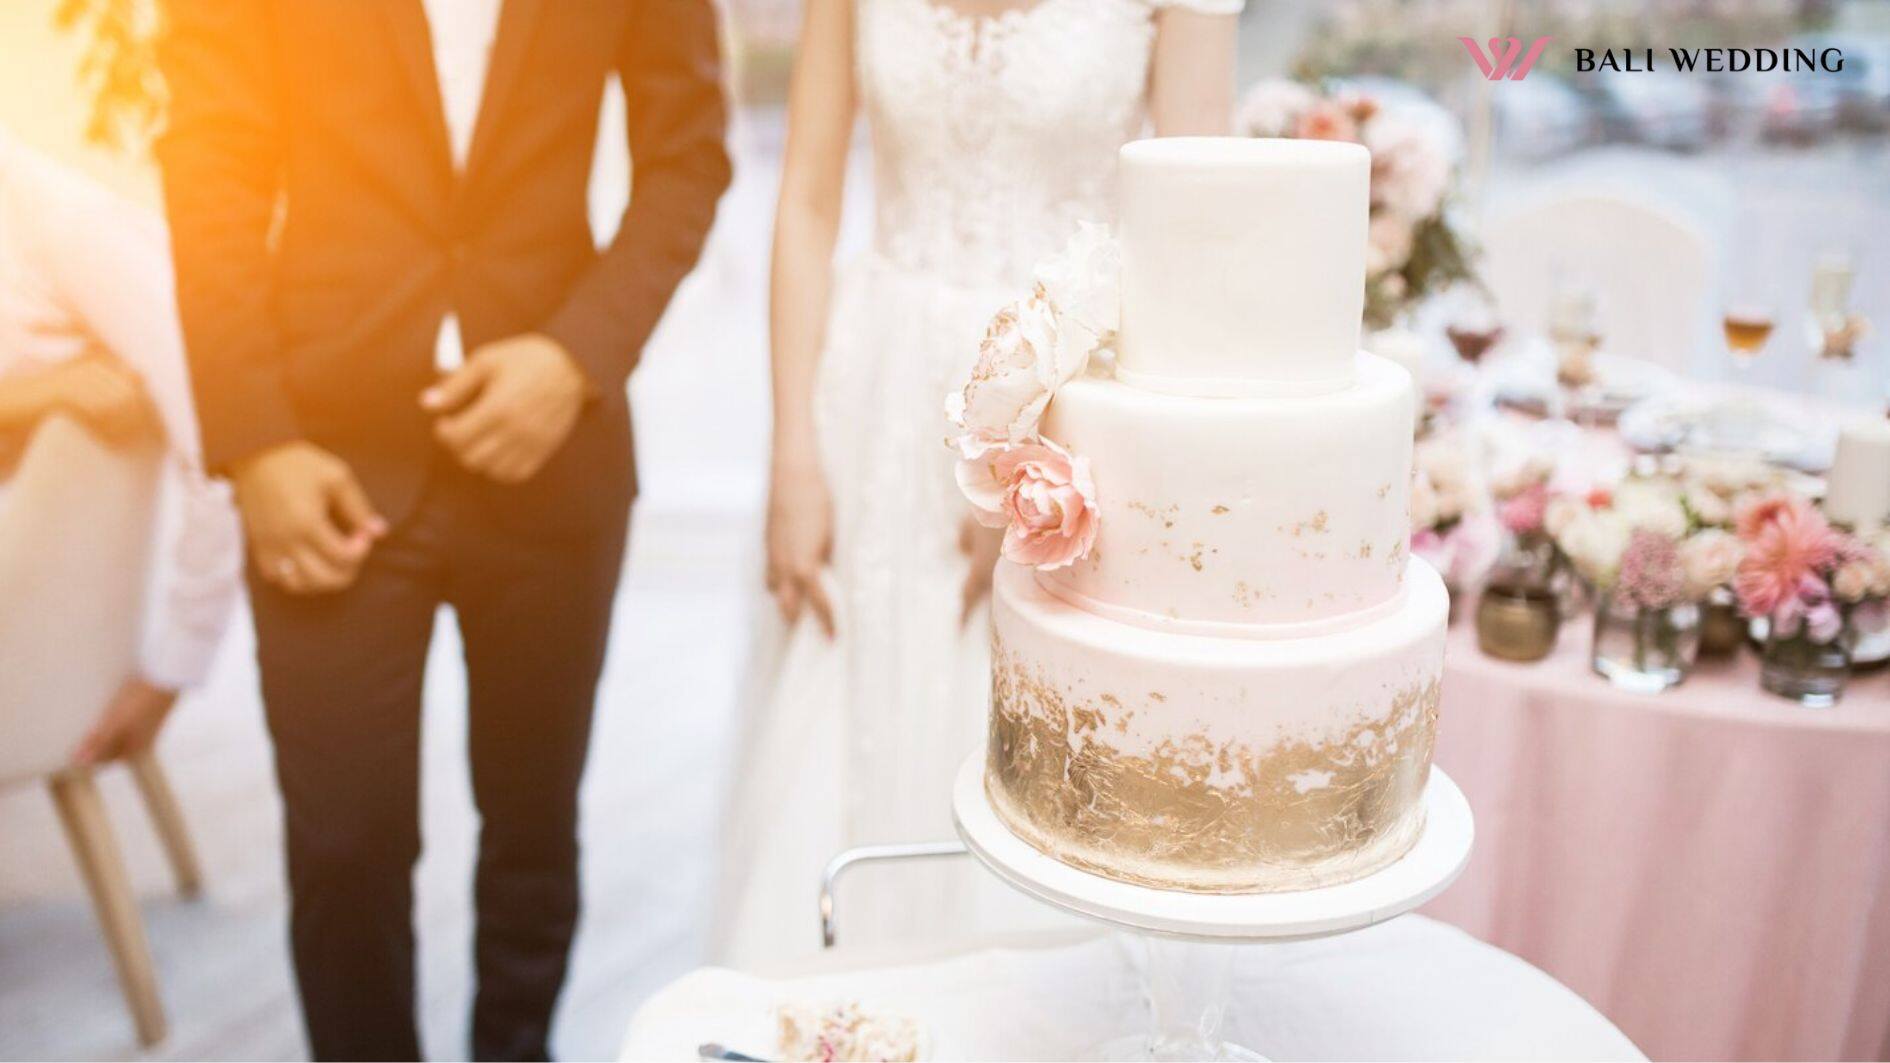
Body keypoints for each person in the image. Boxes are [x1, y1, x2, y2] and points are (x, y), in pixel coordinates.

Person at [155, 3, 730, 1058]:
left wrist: (575, 359)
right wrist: (257, 440)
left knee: (533, 835)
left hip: (553, 457)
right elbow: (209, 164)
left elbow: (687, 163)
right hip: (322, 462)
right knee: (342, 849)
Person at [717, 0, 1241, 966]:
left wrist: (1043, 432)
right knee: (844, 716)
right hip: (874, 400)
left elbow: (1192, 228)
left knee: (1017, 734)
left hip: (1075, 408)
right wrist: (794, 450)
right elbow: (807, 202)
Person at [0, 128, 241, 766]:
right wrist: (27, 398)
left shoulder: (71, 227)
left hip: (30, 643)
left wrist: (173, 668)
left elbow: (218, 435)